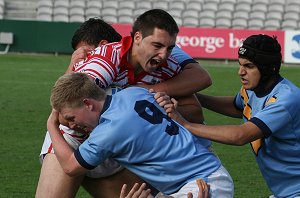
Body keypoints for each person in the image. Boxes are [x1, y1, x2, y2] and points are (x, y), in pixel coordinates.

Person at [36, 11, 214, 197]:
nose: (163, 54)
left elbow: (196, 105)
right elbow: (64, 111)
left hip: (120, 147)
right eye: (157, 46)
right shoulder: (104, 61)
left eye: (169, 48)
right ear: (137, 37)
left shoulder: (168, 65)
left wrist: (161, 100)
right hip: (74, 141)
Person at [156, 34, 300, 198]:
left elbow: (240, 135)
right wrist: (194, 97)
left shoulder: (286, 99)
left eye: (249, 66)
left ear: (269, 68)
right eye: (240, 65)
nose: (241, 72)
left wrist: (185, 123)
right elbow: (238, 107)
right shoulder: (253, 90)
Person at [47, 72, 234, 197]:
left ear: (88, 104)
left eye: (71, 118)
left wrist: (52, 126)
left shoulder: (108, 132)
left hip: (201, 184)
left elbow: (71, 167)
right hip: (202, 173)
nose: (72, 125)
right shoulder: (134, 93)